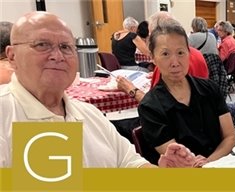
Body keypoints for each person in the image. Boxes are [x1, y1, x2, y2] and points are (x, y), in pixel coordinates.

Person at [0, 11, 194, 168]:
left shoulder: (90, 114)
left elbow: (131, 163)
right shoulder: (5, 115)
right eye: (42, 45)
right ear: (12, 55)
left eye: (66, 47)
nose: (57, 56)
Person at [138, 19, 235, 167]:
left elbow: (229, 137)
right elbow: (180, 159)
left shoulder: (210, 89)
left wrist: (209, 162)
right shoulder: (150, 106)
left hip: (219, 164)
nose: (175, 62)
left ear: (189, 53)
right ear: (153, 57)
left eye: (180, 53)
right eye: (165, 54)